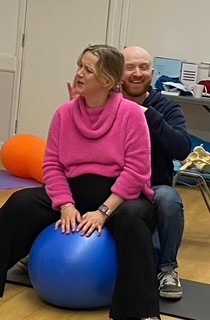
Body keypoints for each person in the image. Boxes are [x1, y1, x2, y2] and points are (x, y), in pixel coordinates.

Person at [0, 44, 160, 320]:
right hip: (74, 192)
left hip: (122, 197)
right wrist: (64, 205)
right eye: (80, 66)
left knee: (133, 220)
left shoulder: (132, 115)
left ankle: (140, 314)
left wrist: (104, 211)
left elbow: (136, 171)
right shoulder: (64, 113)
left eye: (88, 69)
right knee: (20, 203)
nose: (79, 74)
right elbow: (52, 165)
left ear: (107, 81)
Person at [67, 46, 192, 300]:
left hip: (151, 185)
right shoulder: (104, 102)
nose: (137, 73)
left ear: (152, 73)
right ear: (115, 74)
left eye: (143, 68)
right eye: (130, 67)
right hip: (108, 182)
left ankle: (168, 269)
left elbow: (181, 149)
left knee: (169, 200)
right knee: (72, 186)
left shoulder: (166, 108)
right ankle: (49, 246)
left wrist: (148, 117)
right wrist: (76, 110)